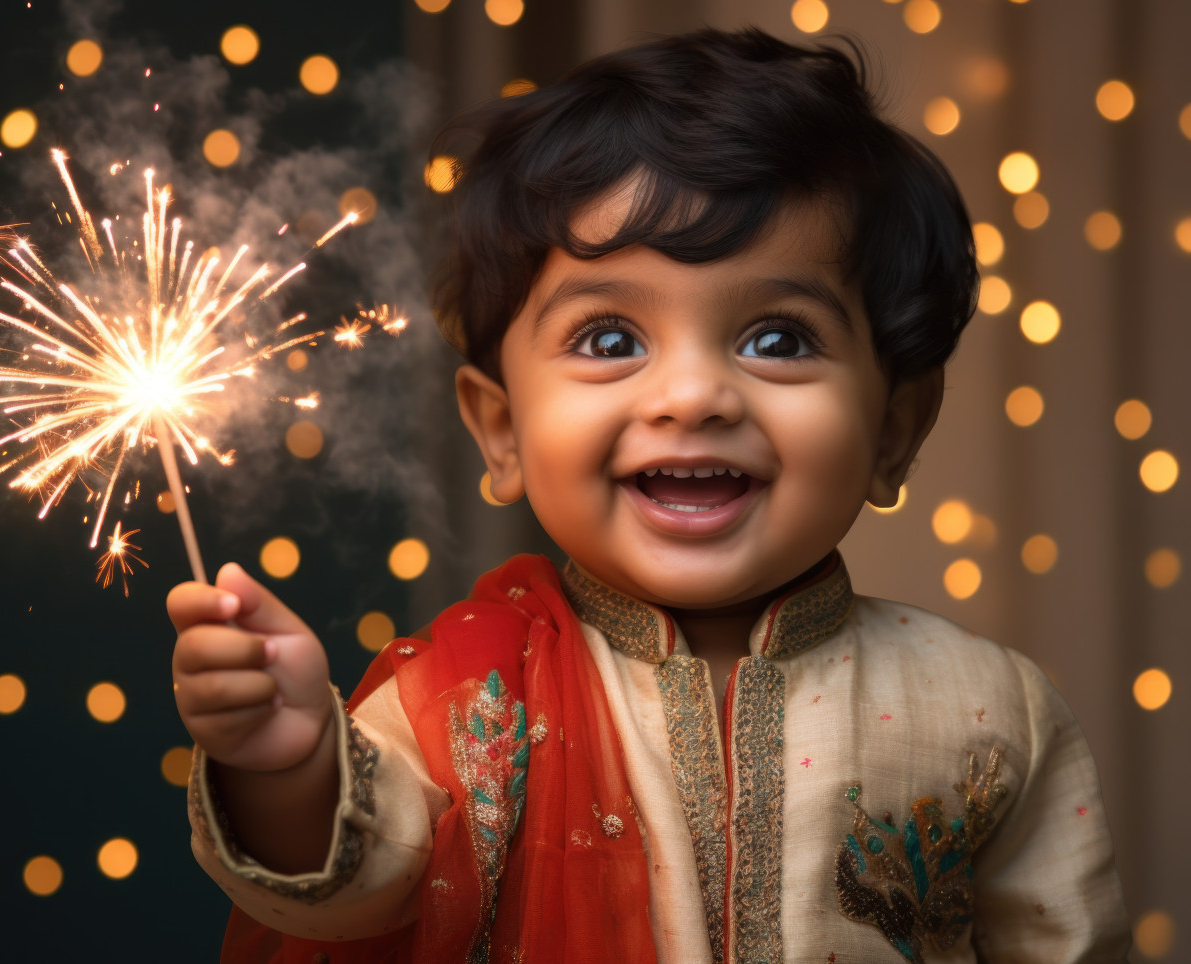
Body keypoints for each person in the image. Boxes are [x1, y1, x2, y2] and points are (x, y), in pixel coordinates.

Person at [168, 27, 1130, 964]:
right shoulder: (461, 702)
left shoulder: (988, 709)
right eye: (610, 340)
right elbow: (358, 894)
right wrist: (289, 766)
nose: (692, 397)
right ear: (501, 431)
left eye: (779, 339)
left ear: (894, 431)